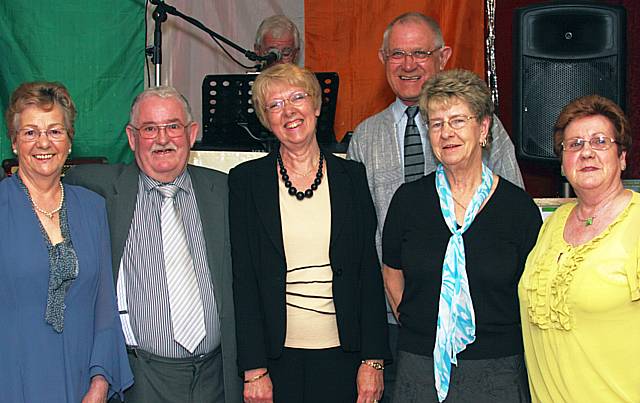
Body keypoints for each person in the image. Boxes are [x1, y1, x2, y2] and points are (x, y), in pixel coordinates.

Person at [347, 12, 524, 401]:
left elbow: (515, 224)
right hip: (401, 330)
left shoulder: (492, 136)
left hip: (487, 335)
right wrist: (411, 317)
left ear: (443, 55)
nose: (408, 64)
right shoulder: (364, 136)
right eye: (397, 54)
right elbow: (367, 242)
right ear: (382, 59)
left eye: (420, 53)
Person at [64, 86, 241, 403]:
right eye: (150, 129)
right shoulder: (94, 189)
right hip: (140, 380)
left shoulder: (225, 190)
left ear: (192, 133)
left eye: (173, 126)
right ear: (132, 138)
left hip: (217, 376)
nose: (162, 139)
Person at [229, 63, 390, 403]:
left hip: (346, 356)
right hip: (277, 360)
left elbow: (367, 271)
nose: (289, 111)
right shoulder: (246, 182)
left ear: (316, 106)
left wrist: (373, 360)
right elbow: (243, 281)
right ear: (265, 119)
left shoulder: (352, 177)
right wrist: (254, 369)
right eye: (275, 104)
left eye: (298, 97)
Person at [383, 69, 541, 402]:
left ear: (483, 128)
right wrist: (432, 328)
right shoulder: (407, 201)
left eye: (458, 120)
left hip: (497, 371)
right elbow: (392, 271)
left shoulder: (518, 208)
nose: (446, 133)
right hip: (419, 367)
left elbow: (532, 291)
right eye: (437, 123)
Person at [0, 81, 133, 402]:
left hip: (81, 384)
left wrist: (100, 383)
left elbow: (105, 307)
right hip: (12, 380)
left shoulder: (92, 207)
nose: (43, 142)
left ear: (69, 141)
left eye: (55, 131)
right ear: (14, 143)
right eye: (30, 132)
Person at [519, 95, 640, 402]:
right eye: (573, 145)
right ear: (562, 162)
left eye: (600, 141)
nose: (586, 152)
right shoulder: (551, 225)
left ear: (622, 155)